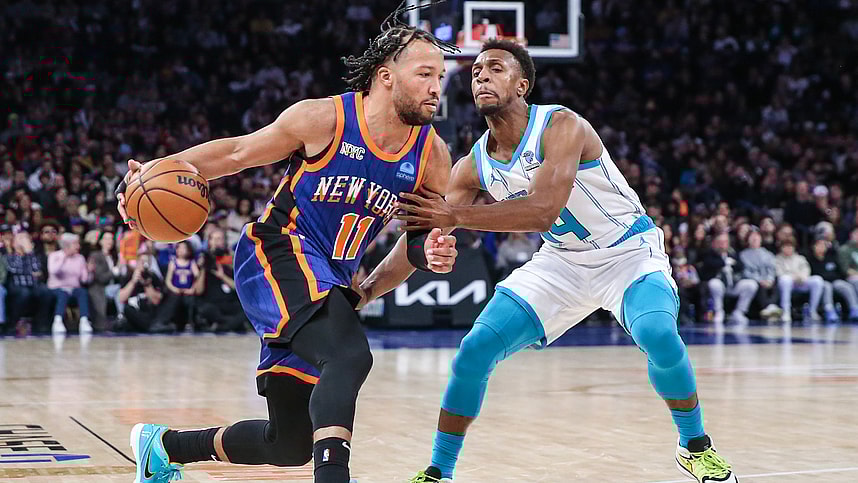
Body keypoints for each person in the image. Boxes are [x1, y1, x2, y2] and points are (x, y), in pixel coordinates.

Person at [117, 5, 460, 483]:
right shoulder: (325, 119)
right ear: (386, 76)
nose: (435, 87)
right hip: (277, 251)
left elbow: (417, 241)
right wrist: (159, 168)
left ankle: (163, 446)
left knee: (290, 442)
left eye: (440, 76)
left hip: (330, 280)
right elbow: (236, 153)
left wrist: (428, 254)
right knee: (350, 355)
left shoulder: (432, 154)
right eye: (425, 73)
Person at [398, 40, 737, 483]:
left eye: (494, 68)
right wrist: (392, 272)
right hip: (561, 262)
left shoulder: (561, 124)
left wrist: (456, 214)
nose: (480, 74)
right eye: (476, 69)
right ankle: (438, 472)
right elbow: (428, 230)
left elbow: (543, 211)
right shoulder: (473, 165)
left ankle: (694, 446)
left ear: (521, 85)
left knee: (657, 332)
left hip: (628, 250)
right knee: (473, 351)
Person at [700, 232, 758, 326]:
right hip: (720, 285)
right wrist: (723, 263)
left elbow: (741, 266)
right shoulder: (710, 254)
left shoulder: (733, 254)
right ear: (715, 243)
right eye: (721, 242)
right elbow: (708, 265)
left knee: (751, 285)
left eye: (725, 242)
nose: (723, 244)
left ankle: (739, 312)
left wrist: (732, 264)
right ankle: (719, 311)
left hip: (734, 284)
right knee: (714, 284)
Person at [47, 232, 93, 334]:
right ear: (67, 245)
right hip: (57, 288)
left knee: (83, 292)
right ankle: (58, 321)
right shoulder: (54, 256)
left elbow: (84, 280)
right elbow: (53, 271)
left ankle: (84, 320)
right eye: (75, 244)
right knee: (63, 293)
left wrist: (89, 271)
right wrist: (64, 257)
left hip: (74, 288)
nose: (78, 246)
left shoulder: (80, 258)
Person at [808, 237, 858, 322]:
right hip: (822, 282)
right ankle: (829, 310)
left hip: (835, 281)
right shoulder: (810, 259)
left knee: (846, 286)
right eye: (819, 245)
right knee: (827, 287)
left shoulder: (831, 257)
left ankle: (854, 309)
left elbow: (838, 271)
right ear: (814, 246)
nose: (821, 247)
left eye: (823, 245)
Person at [775, 237, 823, 323]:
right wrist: (793, 277)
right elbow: (779, 273)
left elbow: (806, 269)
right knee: (785, 280)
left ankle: (812, 311)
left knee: (817, 280)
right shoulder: (777, 259)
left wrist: (802, 276)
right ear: (781, 248)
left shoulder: (800, 258)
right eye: (786, 246)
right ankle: (786, 311)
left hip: (801, 282)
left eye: (790, 246)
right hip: (787, 284)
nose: (788, 249)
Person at [739, 228, 782, 322]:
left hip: (768, 279)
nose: (755, 238)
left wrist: (769, 279)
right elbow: (745, 272)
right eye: (752, 236)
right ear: (748, 239)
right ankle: (767, 306)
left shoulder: (768, 254)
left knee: (778, 280)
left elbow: (772, 268)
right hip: (755, 279)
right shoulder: (743, 255)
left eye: (757, 236)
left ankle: (772, 305)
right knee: (758, 284)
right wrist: (760, 280)